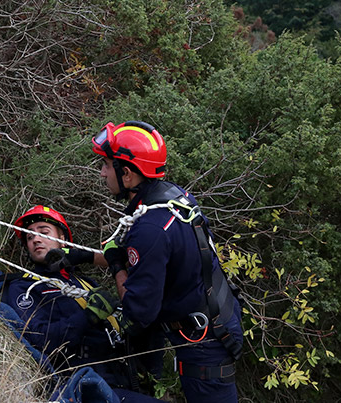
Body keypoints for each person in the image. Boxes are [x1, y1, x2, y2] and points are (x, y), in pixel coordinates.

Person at [94, 121, 243, 403]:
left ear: (126, 175)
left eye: (105, 165)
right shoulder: (172, 197)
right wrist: (84, 256)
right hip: (217, 314)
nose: (102, 173)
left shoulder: (150, 228)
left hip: (205, 340)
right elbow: (160, 259)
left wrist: (116, 265)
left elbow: (138, 312)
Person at [0, 205, 162, 403]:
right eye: (29, 237)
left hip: (122, 381)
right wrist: (87, 317)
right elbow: (36, 339)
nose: (36, 239)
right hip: (81, 386)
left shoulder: (85, 284)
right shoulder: (24, 287)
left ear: (64, 240)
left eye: (43, 232)